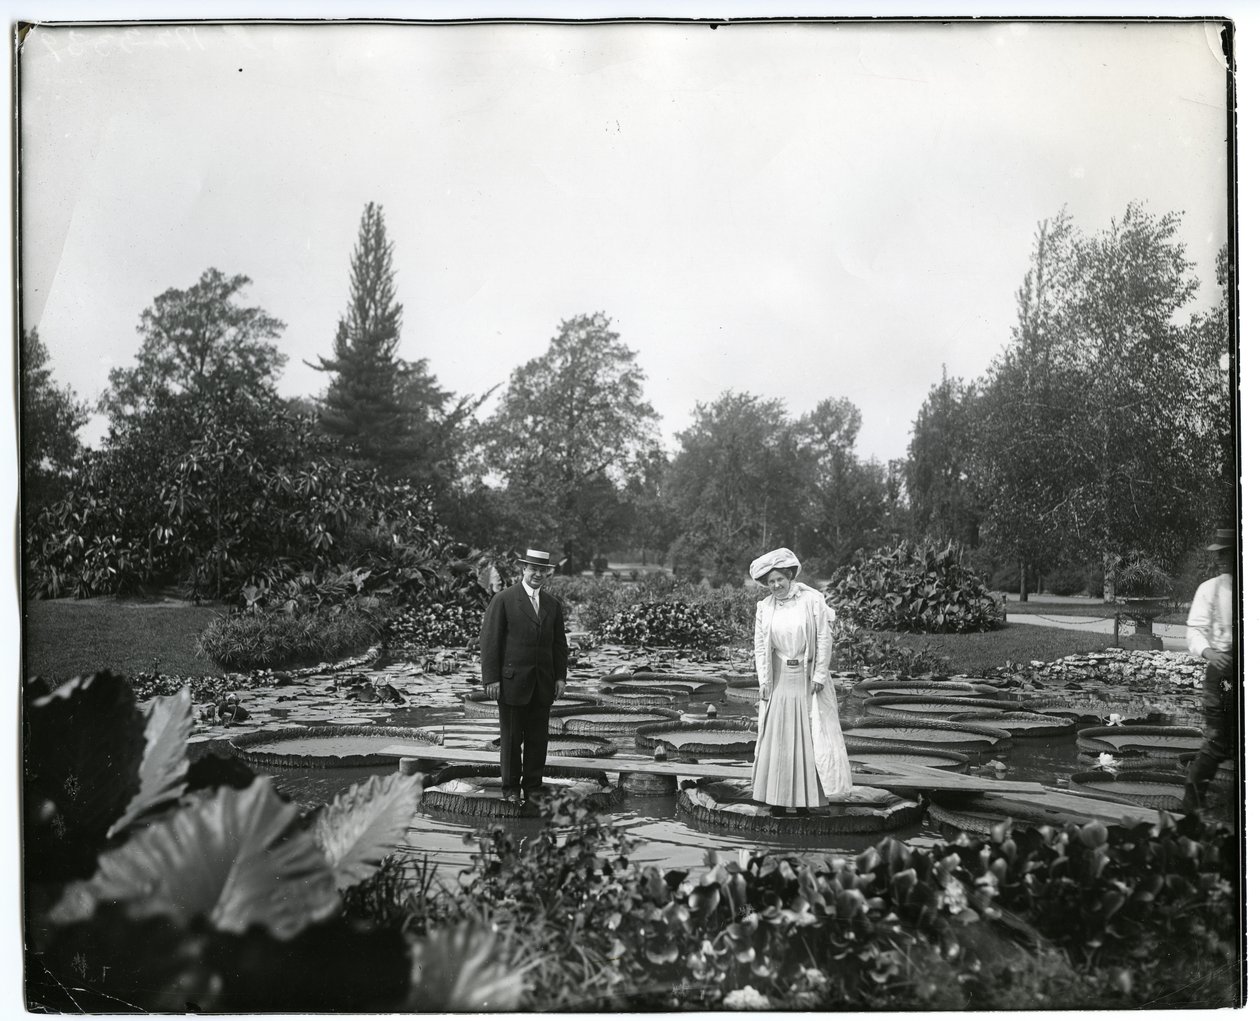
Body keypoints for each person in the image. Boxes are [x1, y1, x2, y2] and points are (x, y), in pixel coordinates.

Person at [748, 547, 852, 815]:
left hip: (806, 677)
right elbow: (761, 648)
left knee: (808, 736)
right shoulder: (764, 608)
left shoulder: (811, 601)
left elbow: (823, 638)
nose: (776, 585)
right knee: (779, 737)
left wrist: (819, 674)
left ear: (790, 576)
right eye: (770, 582)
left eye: (780, 579)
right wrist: (764, 682)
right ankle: (777, 799)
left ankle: (807, 800)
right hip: (780, 677)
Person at [480, 547, 569, 805]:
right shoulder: (505, 600)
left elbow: (559, 646)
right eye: (533, 569)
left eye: (542, 570)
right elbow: (490, 641)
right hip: (510, 684)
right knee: (510, 740)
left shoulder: (553, 605)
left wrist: (560, 677)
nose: (537, 574)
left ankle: (533, 788)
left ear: (547, 574)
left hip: (542, 684)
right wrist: (491, 679)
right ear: (523, 569)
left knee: (537, 740)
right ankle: (510, 790)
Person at [1183, 527, 1237, 812]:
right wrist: (1210, 652)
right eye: (1219, 554)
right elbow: (1194, 632)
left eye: (1227, 553)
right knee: (1217, 741)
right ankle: (1191, 810)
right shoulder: (1209, 589)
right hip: (1222, 675)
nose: (1221, 559)